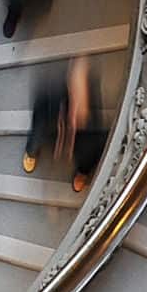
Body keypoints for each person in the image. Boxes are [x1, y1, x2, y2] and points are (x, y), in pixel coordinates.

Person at [25, 54, 107, 193]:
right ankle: (32, 150)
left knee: (90, 141)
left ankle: (83, 169)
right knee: (42, 123)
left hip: (80, 106)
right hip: (62, 97)